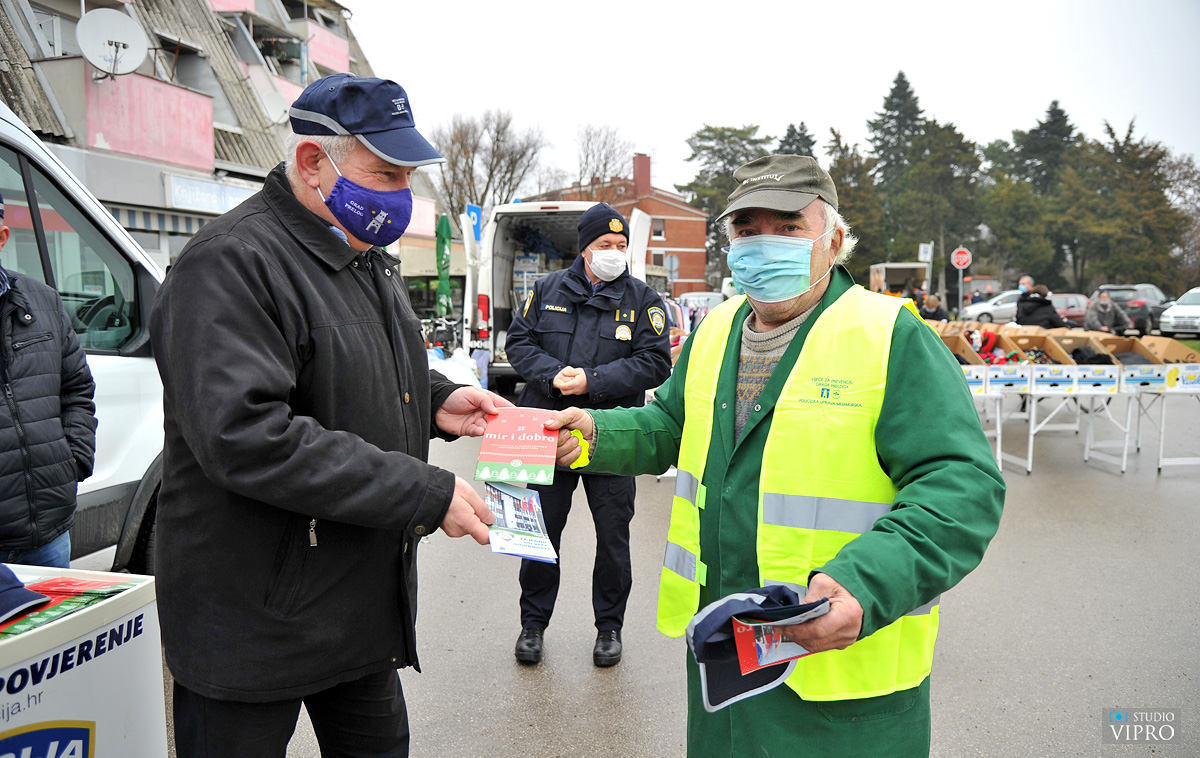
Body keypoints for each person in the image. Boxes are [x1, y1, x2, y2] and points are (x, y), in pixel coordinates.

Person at [544, 155, 1005, 757]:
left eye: (788, 228)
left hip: (839, 682)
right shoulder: (717, 329)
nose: (764, 244)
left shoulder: (890, 334)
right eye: (747, 229)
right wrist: (594, 433)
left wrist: (865, 582)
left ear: (833, 241)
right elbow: (670, 425)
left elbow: (962, 486)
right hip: (725, 663)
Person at [149, 74, 509, 757]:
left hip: (353, 609)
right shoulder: (230, 262)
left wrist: (435, 398)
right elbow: (247, 435)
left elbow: (345, 361)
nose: (401, 195)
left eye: (408, 177)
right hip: (255, 618)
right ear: (313, 161)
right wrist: (422, 492)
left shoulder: (361, 256)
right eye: (386, 174)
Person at [504, 203, 672, 667]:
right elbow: (519, 342)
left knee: (613, 539)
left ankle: (609, 629)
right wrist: (554, 375)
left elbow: (655, 362)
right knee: (541, 534)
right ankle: (532, 625)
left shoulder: (643, 300)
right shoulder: (547, 289)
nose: (614, 251)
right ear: (585, 249)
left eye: (621, 245)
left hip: (610, 436)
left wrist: (591, 381)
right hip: (549, 432)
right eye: (605, 244)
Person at [0, 190, 97, 568]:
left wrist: (73, 460)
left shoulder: (42, 301)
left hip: (49, 533)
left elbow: (77, 389)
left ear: (2, 237)